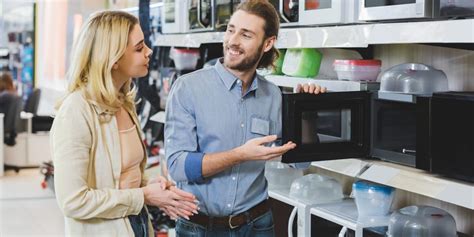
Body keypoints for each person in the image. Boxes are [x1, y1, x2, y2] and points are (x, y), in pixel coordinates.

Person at [164, 1, 326, 236]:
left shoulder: (273, 96)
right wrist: (239, 155)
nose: (233, 41)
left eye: (246, 34)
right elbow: (177, 166)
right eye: (231, 30)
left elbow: (300, 162)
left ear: (267, 43)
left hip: (257, 224)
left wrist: (306, 112)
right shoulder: (188, 88)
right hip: (199, 227)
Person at [50, 11, 198, 236]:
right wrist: (144, 196)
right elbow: (73, 201)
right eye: (139, 48)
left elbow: (118, 178)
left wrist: (149, 186)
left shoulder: (123, 103)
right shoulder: (76, 111)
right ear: (113, 58)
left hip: (135, 223)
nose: (149, 52)